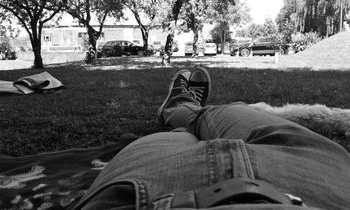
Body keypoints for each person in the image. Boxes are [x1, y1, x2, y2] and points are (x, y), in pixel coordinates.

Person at [73, 67, 350, 210]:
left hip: (135, 197)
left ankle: (180, 107)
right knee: (232, 111)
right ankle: (184, 109)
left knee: (180, 135)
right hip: (320, 175)